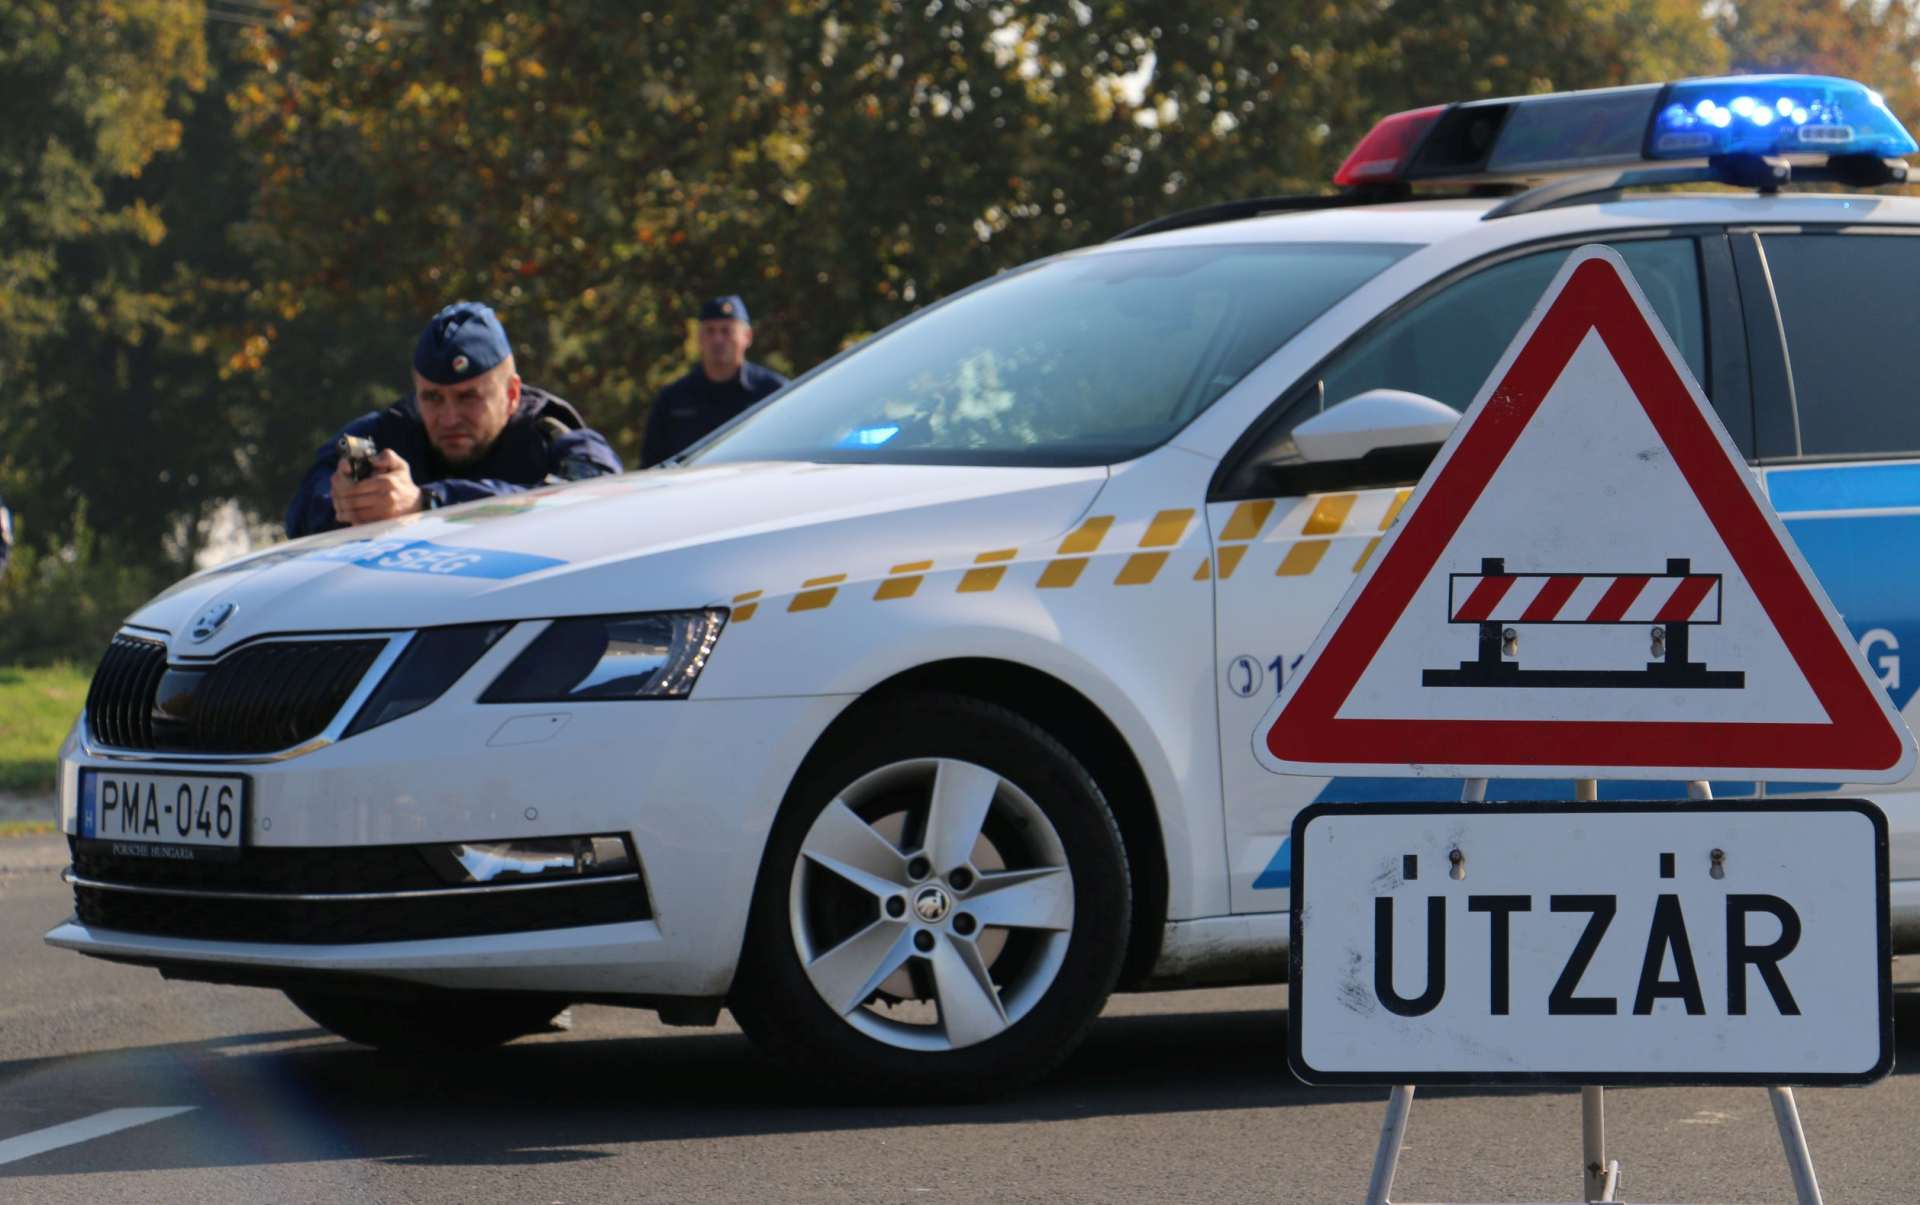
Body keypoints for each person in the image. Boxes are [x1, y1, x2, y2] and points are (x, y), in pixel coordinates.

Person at [285, 302, 621, 538]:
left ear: (512, 394)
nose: (448, 418)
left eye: (468, 397)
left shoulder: (556, 437)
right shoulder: (383, 434)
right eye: (432, 398)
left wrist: (427, 503)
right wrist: (347, 504)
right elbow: (302, 513)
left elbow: (602, 505)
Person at [640, 295, 789, 467]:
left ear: (747, 336)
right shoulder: (672, 400)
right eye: (710, 331)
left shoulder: (774, 393)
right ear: (699, 338)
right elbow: (652, 466)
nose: (717, 340)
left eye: (726, 331)